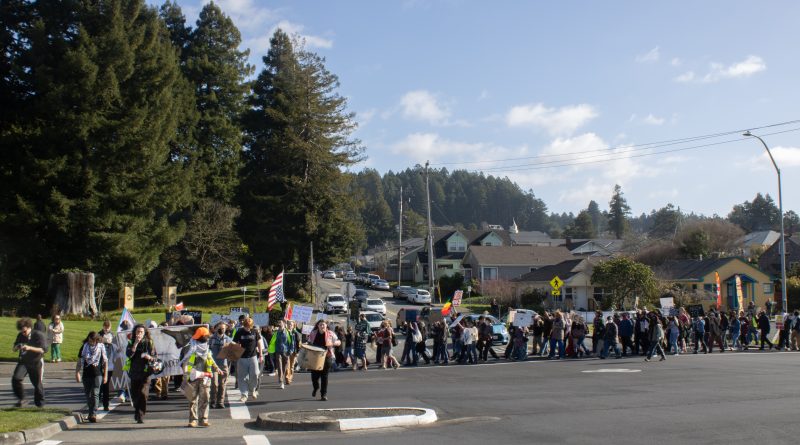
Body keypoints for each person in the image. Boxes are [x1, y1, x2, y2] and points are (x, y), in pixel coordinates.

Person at [181, 326, 222, 428]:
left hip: (205, 377)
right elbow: (185, 361)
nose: (208, 337)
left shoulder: (206, 347)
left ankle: (203, 419)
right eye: (207, 336)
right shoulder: (191, 348)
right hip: (193, 377)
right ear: (203, 337)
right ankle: (193, 420)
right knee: (193, 399)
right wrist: (185, 376)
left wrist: (216, 368)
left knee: (205, 398)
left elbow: (210, 358)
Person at [12, 318, 47, 407]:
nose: (23, 333)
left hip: (35, 362)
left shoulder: (38, 335)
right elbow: (14, 348)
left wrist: (29, 348)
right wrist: (17, 347)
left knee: (37, 384)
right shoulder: (20, 335)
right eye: (21, 331)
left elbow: (43, 350)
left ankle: (40, 404)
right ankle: (22, 399)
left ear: (29, 327)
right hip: (23, 362)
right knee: (16, 379)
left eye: (24, 331)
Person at [125, 324, 155, 423]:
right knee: (135, 395)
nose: (139, 334)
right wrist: (135, 344)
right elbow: (129, 354)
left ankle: (140, 415)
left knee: (143, 393)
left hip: (145, 372)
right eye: (138, 332)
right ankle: (137, 411)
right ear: (135, 332)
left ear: (144, 333)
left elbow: (154, 357)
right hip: (134, 372)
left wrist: (149, 357)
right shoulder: (131, 342)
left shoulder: (149, 342)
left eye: (141, 332)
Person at [76, 332, 108, 422]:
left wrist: (105, 375)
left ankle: (93, 413)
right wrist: (77, 372)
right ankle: (91, 412)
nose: (90, 343)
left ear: (97, 340)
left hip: (97, 374)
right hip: (86, 374)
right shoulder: (84, 347)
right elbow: (79, 360)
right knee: (88, 395)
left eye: (92, 341)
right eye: (89, 341)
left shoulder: (101, 347)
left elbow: (105, 361)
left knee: (95, 393)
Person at [308, 319, 341, 401]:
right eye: (320, 324)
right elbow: (309, 342)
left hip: (327, 356)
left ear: (326, 325)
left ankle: (324, 394)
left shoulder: (330, 333)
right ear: (318, 326)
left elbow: (339, 342)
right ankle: (316, 387)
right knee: (314, 376)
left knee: (324, 376)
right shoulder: (313, 333)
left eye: (323, 324)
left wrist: (333, 343)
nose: (322, 326)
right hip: (315, 357)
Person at [232, 317, 263, 402]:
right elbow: (235, 342)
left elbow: (259, 342)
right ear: (244, 325)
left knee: (255, 374)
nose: (247, 328)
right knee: (242, 377)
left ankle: (253, 390)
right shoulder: (239, 332)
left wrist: (261, 354)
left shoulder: (255, 332)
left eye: (249, 327)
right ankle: (244, 394)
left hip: (253, 356)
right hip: (242, 357)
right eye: (246, 326)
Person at [208, 322, 232, 409]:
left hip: (223, 365)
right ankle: (212, 401)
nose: (221, 330)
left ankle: (220, 402)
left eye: (223, 328)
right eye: (220, 328)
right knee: (214, 384)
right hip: (213, 365)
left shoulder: (228, 339)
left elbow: (232, 352)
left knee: (222, 384)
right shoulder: (211, 339)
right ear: (216, 328)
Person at [269, 320, 293, 388]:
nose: (279, 324)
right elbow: (272, 341)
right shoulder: (276, 333)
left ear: (284, 324)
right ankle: (281, 380)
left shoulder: (288, 332)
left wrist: (291, 350)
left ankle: (282, 377)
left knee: (284, 366)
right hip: (278, 351)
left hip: (286, 351)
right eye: (278, 323)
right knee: (279, 365)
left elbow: (291, 342)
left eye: (281, 323)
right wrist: (270, 350)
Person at [98, 320, 115, 410]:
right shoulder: (99, 334)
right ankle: (96, 403)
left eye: (108, 327)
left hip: (109, 363)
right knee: (99, 385)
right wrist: (103, 341)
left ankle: (105, 404)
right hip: (101, 362)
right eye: (105, 327)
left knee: (106, 385)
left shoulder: (112, 334)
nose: (107, 329)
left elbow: (116, 345)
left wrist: (111, 343)